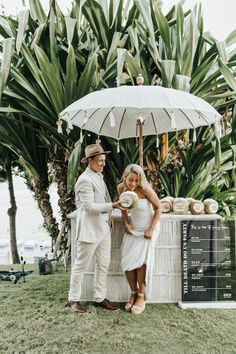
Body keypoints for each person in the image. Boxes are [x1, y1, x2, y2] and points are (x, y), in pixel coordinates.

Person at [68, 143, 123, 313]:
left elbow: (102, 199)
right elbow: (89, 207)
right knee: (81, 266)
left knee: (103, 265)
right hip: (89, 230)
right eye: (100, 161)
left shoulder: (98, 176)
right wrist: (113, 206)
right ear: (89, 161)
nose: (103, 164)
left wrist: (109, 216)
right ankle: (73, 299)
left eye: (104, 160)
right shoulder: (84, 180)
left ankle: (99, 298)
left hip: (104, 229)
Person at [117, 164, 161, 314]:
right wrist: (125, 224)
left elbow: (159, 208)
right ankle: (133, 293)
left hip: (148, 228)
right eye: (130, 180)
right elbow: (123, 207)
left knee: (142, 262)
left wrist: (151, 229)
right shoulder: (121, 188)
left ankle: (141, 296)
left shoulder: (145, 189)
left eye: (136, 180)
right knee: (128, 262)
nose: (133, 184)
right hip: (134, 228)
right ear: (125, 178)